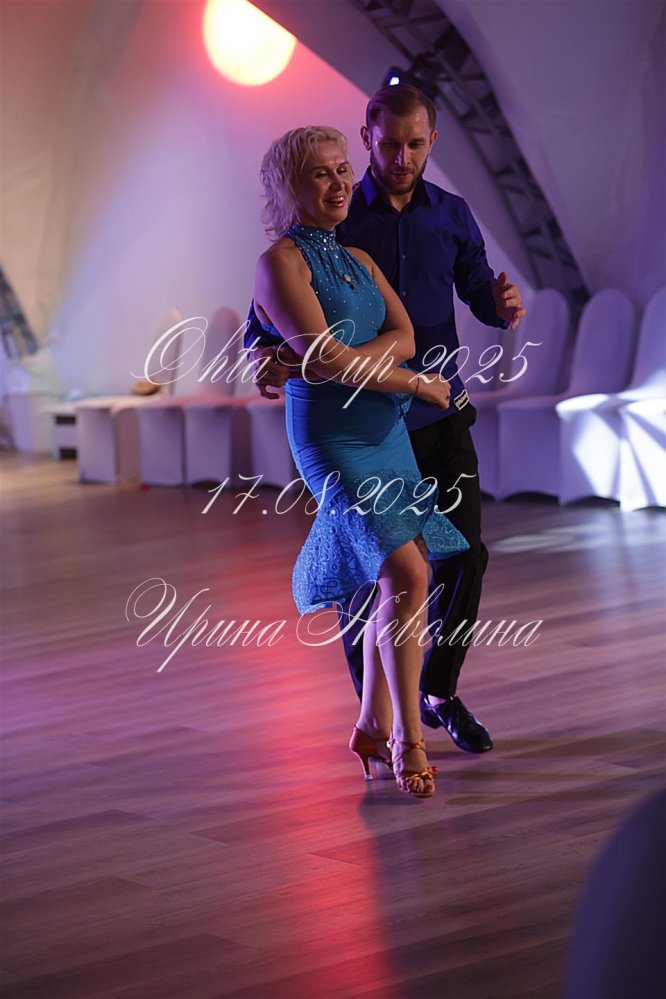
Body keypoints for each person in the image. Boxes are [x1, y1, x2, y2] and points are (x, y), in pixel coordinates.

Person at [249, 85, 526, 756]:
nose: (402, 157)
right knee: (371, 575)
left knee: (464, 554)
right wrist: (270, 357)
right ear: (368, 138)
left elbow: (474, 293)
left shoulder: (451, 214)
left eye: (416, 144)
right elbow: (274, 323)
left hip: (439, 409)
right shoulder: (335, 220)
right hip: (360, 423)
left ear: (433, 142)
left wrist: (499, 306)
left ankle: (437, 690)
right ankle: (377, 719)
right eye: (390, 144)